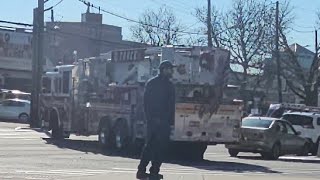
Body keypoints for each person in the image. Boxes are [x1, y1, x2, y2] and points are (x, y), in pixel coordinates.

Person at [136, 60, 176, 179]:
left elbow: (171, 105)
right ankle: (141, 171)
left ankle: (154, 171)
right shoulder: (152, 83)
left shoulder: (170, 85)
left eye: (171, 69)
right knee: (150, 146)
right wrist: (151, 118)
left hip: (165, 122)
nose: (171, 71)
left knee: (161, 148)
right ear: (162, 69)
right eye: (169, 69)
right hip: (153, 121)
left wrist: (170, 122)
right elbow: (146, 103)